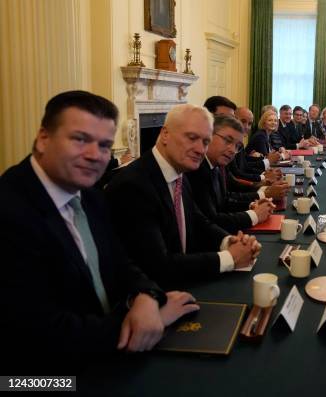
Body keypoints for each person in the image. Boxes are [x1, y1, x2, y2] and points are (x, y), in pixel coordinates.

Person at [0, 90, 198, 370]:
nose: (95, 155)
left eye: (105, 145)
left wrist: (146, 297)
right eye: (80, 139)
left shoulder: (90, 195)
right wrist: (154, 319)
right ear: (44, 139)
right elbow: (41, 334)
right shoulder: (9, 211)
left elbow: (121, 262)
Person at [105, 104, 260, 288]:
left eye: (205, 142)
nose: (200, 150)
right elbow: (158, 266)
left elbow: (197, 220)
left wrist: (228, 241)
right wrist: (229, 258)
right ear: (165, 134)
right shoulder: (133, 185)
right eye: (192, 138)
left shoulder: (179, 172)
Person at [187, 115, 275, 234]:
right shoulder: (196, 170)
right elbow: (211, 219)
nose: (233, 150)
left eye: (237, 146)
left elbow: (224, 200)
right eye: (228, 141)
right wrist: (255, 215)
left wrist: (252, 205)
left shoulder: (215, 166)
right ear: (208, 136)